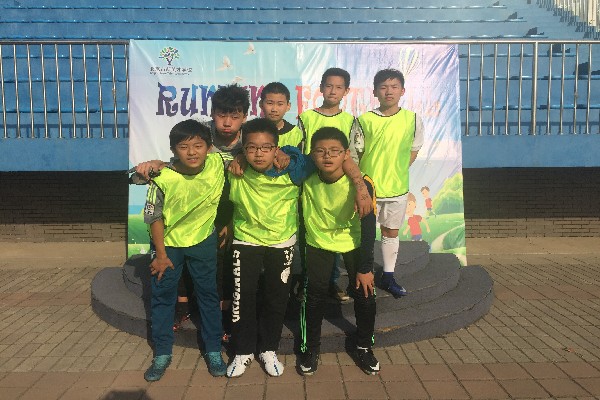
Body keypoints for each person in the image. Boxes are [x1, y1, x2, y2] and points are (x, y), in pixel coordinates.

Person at [136, 83, 249, 336]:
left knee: (224, 264)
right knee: (182, 254)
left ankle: (222, 317)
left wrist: (230, 222)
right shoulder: (202, 133)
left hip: (231, 208)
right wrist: (158, 163)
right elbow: (182, 159)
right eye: (221, 115)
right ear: (212, 114)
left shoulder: (249, 138)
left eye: (234, 116)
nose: (227, 122)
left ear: (244, 117)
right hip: (198, 209)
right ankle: (183, 308)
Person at [142, 119, 228, 381]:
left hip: (203, 240)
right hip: (168, 246)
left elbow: (247, 157)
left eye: (198, 146)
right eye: (183, 147)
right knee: (162, 296)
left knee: (208, 295)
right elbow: (154, 217)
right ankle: (162, 353)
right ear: (173, 150)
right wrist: (160, 255)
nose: (192, 152)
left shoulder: (218, 163)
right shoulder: (162, 177)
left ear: (209, 147)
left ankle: (213, 349)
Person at [225, 118, 309, 378]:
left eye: (266, 148)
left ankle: (269, 349)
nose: (258, 154)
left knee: (277, 298)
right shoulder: (234, 168)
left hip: (281, 241)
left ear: (276, 149)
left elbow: (312, 161)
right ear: (242, 148)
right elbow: (192, 162)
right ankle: (243, 351)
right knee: (242, 297)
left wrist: (290, 154)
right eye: (251, 148)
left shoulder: (292, 170)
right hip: (246, 239)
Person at [299, 127, 379, 376]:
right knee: (314, 295)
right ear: (312, 154)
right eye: (320, 151)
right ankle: (310, 348)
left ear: (346, 154)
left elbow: (369, 227)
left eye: (334, 151)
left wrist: (366, 267)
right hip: (318, 240)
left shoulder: (362, 184)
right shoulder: (305, 176)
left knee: (365, 293)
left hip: (353, 241)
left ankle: (364, 345)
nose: (327, 156)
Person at [351, 69, 424, 299]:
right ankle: (360, 273)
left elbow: (414, 150)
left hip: (397, 189)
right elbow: (355, 155)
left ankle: (389, 276)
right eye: (383, 87)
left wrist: (397, 170)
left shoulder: (412, 119)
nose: (389, 91)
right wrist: (360, 185)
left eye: (394, 87)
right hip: (368, 191)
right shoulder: (364, 120)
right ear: (375, 92)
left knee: (390, 233)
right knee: (362, 234)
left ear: (402, 91)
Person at [297, 67, 357, 302]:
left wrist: (358, 186)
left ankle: (331, 282)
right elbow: (301, 153)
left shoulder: (350, 121)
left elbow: (353, 156)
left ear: (346, 91)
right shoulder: (306, 118)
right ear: (321, 88)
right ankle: (308, 282)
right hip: (312, 188)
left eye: (338, 87)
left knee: (334, 234)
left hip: (338, 189)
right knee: (310, 237)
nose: (333, 91)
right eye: (329, 86)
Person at [259, 82, 303, 148]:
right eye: (270, 103)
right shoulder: (252, 131)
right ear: (261, 104)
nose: (274, 109)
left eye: (280, 104)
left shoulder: (295, 133)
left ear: (288, 106)